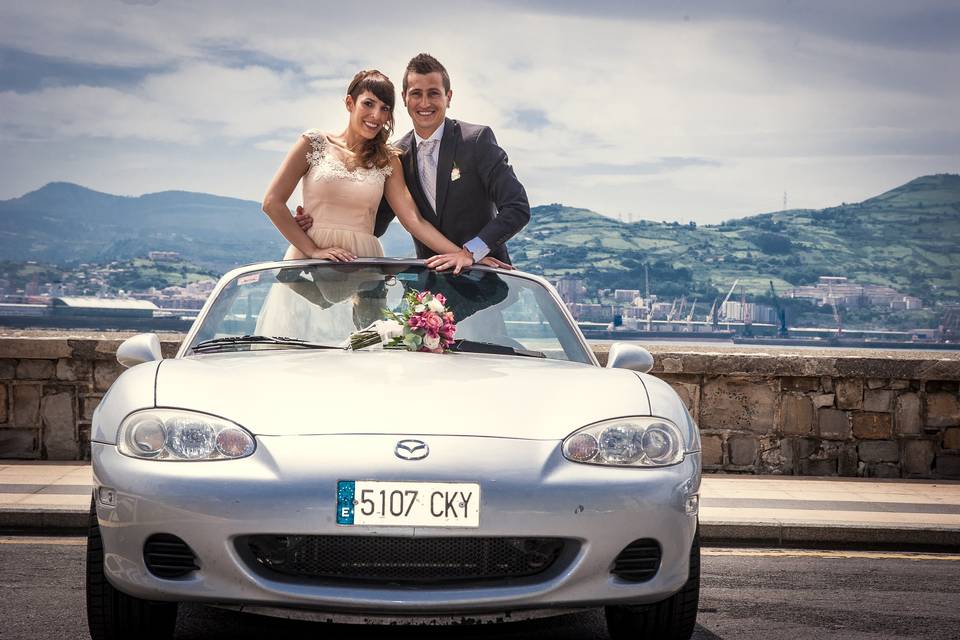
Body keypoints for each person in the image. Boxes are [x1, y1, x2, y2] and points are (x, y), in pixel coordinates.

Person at [296, 53, 530, 269]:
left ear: (448, 97)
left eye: (434, 93)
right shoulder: (395, 156)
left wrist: (472, 253)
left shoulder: (476, 141)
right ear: (405, 99)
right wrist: (319, 221)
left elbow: (517, 208)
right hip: (429, 287)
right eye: (416, 93)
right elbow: (372, 223)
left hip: (484, 281)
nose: (425, 103)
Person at [261, 68, 474, 273]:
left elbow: (413, 220)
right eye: (368, 104)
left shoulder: (388, 159)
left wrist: (464, 255)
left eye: (385, 108)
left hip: (362, 264)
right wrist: (312, 249)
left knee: (366, 309)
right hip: (310, 263)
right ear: (349, 103)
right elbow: (272, 203)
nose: (376, 115)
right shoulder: (314, 143)